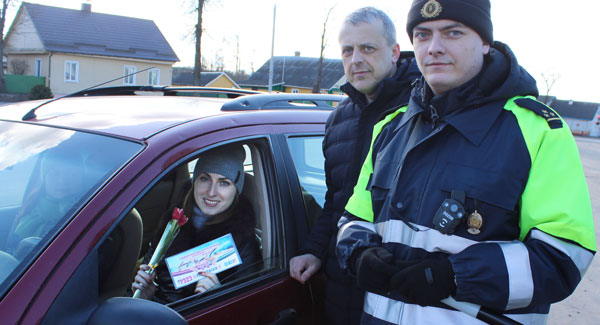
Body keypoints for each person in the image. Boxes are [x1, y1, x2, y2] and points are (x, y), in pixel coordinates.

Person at [336, 0, 596, 324]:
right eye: (422, 34)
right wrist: (358, 253)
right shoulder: (389, 128)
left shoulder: (539, 132)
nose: (434, 48)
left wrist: (456, 276)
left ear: (485, 42)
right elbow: (352, 219)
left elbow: (563, 257)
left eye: (453, 33)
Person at [288, 7, 420, 324]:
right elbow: (336, 201)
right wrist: (315, 251)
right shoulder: (338, 121)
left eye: (367, 48)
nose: (356, 59)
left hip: (399, 291)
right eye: (347, 50)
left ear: (394, 52)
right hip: (341, 283)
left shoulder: (422, 114)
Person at [132, 144, 262, 303]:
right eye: (205, 179)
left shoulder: (245, 244)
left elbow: (247, 307)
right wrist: (146, 294)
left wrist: (220, 296)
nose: (211, 192)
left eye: (224, 182)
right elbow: (150, 275)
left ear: (236, 189)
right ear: (195, 181)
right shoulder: (172, 224)